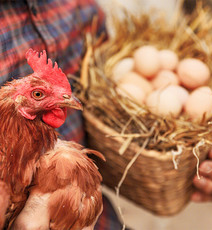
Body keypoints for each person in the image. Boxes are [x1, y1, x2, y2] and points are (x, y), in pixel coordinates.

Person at [0, 0, 123, 229]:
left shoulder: (84, 8)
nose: (68, 98)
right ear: (19, 104)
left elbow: (112, 111)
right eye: (38, 94)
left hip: (102, 218)